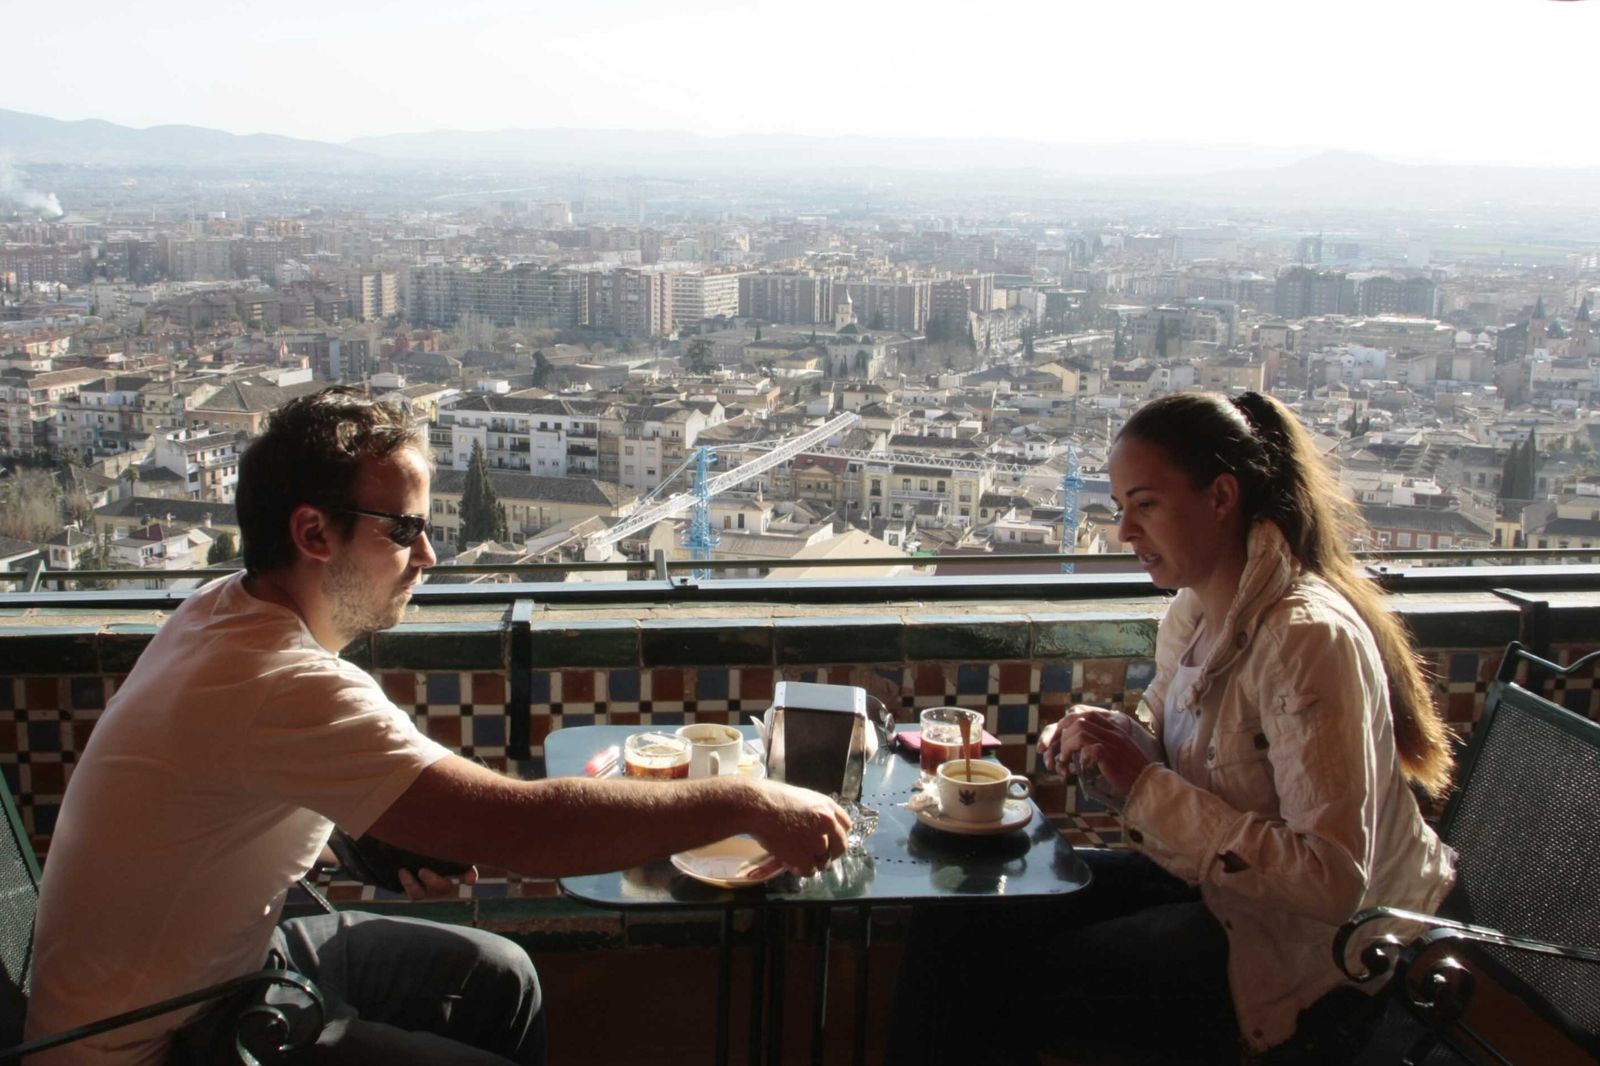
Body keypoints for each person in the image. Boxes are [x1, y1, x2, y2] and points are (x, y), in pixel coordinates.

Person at [28, 387, 851, 1065]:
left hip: (231, 971)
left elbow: (226, 804)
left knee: (500, 976)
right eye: (405, 530)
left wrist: (358, 836)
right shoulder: (277, 681)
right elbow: (527, 831)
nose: (428, 558)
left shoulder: (222, 611)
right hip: (153, 1044)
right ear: (313, 532)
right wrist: (746, 800)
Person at [886, 390, 1456, 1065]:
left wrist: (1145, 783)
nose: (1125, 532)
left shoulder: (1305, 640)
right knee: (958, 915)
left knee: (1004, 980)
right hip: (1219, 893)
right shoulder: (1195, 608)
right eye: (1122, 509)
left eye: (1146, 505)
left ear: (1221, 497)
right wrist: (1114, 745)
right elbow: (1174, 746)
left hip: (1311, 951)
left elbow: (1331, 880)